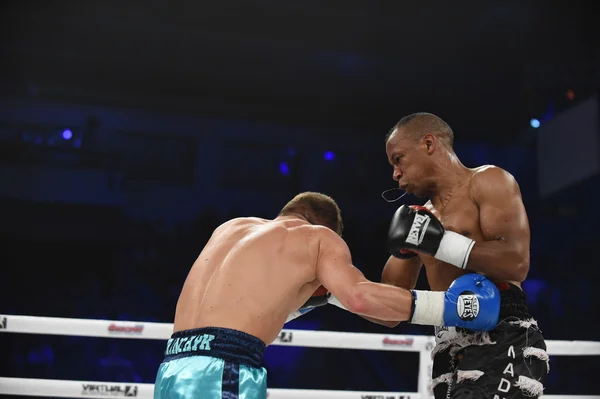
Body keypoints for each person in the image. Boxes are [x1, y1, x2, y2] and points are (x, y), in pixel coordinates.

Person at [154, 191, 501, 399]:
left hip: (172, 366)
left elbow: (247, 308)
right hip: (224, 369)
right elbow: (360, 297)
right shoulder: (318, 238)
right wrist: (451, 307)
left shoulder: (230, 229)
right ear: (324, 224)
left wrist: (320, 295)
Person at [374, 112, 548, 398]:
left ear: (429, 144)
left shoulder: (489, 181)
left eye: (398, 159)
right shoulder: (421, 220)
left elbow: (516, 264)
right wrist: (405, 248)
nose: (395, 173)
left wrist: (439, 244)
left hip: (503, 333)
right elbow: (390, 308)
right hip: (448, 348)